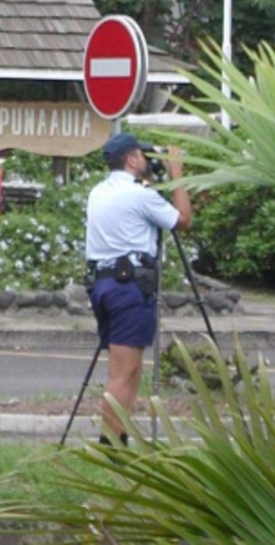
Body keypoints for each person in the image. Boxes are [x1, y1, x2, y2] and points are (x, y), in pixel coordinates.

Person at [85, 131, 192, 447]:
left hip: (103, 285)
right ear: (131, 159)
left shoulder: (98, 192)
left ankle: (120, 435)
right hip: (128, 289)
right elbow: (183, 220)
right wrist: (177, 175)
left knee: (123, 370)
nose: (148, 161)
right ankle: (111, 444)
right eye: (144, 156)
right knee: (125, 372)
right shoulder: (139, 195)